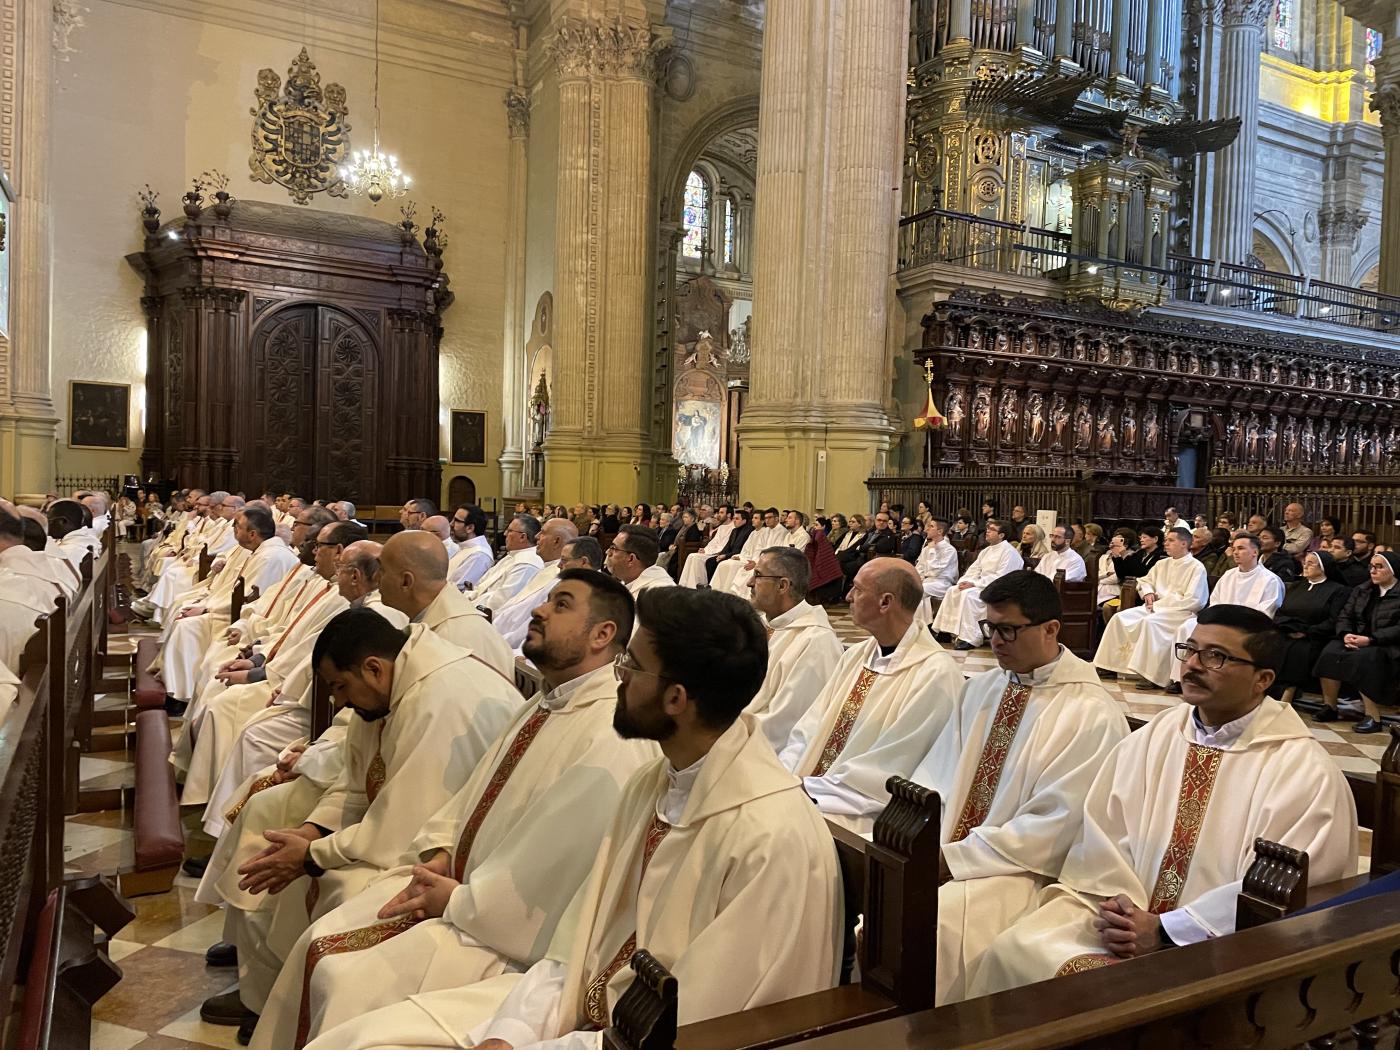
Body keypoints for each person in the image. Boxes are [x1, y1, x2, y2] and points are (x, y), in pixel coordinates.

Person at [301, 587, 842, 1050]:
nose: (618, 676)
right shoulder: (655, 785)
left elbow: (706, 1028)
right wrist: (511, 1033)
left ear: (676, 698)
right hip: (575, 1015)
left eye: (631, 665)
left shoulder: (768, 839)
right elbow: (575, 947)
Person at [248, 571, 658, 1050]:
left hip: (504, 938)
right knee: (321, 945)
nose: (539, 610)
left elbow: (549, 871)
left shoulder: (609, 733)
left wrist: (456, 899)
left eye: (561, 604)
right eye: (546, 599)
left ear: (602, 635)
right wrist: (442, 848)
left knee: (340, 975)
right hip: (461, 890)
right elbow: (471, 795)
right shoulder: (547, 703)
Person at [971, 605, 1357, 996]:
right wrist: (1123, 912)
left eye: (1216, 657)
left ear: (1263, 679)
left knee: (1108, 989)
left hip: (1223, 948)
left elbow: (1281, 889)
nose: (1192, 666)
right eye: (1190, 650)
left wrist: (1168, 930)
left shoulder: (1303, 770)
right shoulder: (1157, 734)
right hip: (1120, 916)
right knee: (1015, 951)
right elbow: (1105, 826)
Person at [201, 608, 520, 1038]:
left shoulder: (434, 702)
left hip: (456, 857)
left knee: (336, 888)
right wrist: (312, 834)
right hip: (410, 835)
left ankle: (287, 1011)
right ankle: (266, 993)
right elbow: (356, 784)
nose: (338, 701)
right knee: (296, 858)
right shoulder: (394, 687)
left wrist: (313, 856)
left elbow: (401, 830)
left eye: (339, 687)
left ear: (372, 669)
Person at [912, 571, 1127, 1003]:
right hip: (953, 854)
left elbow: (1056, 827)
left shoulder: (1090, 713)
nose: (996, 640)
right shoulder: (984, 689)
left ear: (1050, 629)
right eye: (990, 628)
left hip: (1024, 871)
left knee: (933, 924)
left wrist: (953, 859)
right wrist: (921, 839)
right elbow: (936, 772)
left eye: (1008, 629)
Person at [780, 558, 962, 833]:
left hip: (866, 810)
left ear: (885, 602)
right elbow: (807, 729)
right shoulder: (856, 656)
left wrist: (804, 788)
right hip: (811, 789)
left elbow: (888, 770)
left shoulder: (935, 674)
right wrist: (784, 776)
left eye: (857, 589)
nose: (849, 596)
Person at [744, 547, 844, 751]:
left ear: (782, 585)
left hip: (765, 753)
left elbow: (786, 725)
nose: (749, 583)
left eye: (758, 575)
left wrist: (715, 734)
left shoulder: (815, 642)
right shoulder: (763, 625)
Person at [376, 532, 514, 679]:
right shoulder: (440, 619)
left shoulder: (449, 642)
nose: (376, 577)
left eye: (382, 570)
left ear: (406, 582)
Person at [1164, 533, 1284, 693]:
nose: (1235, 552)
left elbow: (1265, 613)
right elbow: (1215, 603)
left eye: (1241, 548)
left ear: (1255, 552)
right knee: (1187, 626)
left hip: (1249, 627)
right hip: (1220, 622)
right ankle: (1181, 678)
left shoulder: (1270, 580)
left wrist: (1233, 622)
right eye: (1234, 549)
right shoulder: (1229, 575)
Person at [1093, 527, 1209, 689]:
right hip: (1154, 607)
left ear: (1184, 543)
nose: (1165, 543)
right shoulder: (1163, 563)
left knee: (1150, 623)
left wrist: (1161, 606)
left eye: (1170, 540)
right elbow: (1145, 581)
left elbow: (1195, 600)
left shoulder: (1196, 567)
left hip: (1179, 613)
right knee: (1120, 618)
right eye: (1166, 540)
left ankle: (1149, 675)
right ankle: (1110, 666)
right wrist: (1147, 592)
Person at [1312, 551, 1400, 733]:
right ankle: (1331, 707)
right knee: (1330, 652)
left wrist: (1371, 639)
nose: (1373, 571)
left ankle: (1372, 716)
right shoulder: (1362, 589)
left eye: (1379, 567)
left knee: (1365, 659)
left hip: (1385, 643)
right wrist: (1345, 634)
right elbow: (1345, 615)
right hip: (1357, 638)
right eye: (1371, 567)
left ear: (1393, 570)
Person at [484, 519, 578, 649]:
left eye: (543, 533)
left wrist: (494, 639)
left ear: (556, 541)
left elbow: (529, 621)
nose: (536, 536)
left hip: (507, 644)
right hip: (495, 631)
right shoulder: (546, 568)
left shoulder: (558, 578)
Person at [1271, 550, 1349, 705]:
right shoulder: (1295, 586)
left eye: (1311, 563)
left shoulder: (1338, 590)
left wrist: (1306, 632)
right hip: (1288, 632)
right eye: (1305, 562)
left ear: (1323, 567)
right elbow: (1279, 612)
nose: (1305, 566)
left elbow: (1333, 620)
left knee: (1298, 649)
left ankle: (1288, 695)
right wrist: (1288, 628)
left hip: (1316, 636)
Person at [931, 519, 1024, 650]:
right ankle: (945, 632)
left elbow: (1002, 578)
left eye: (992, 530)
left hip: (999, 590)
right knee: (953, 590)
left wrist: (974, 584)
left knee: (969, 595)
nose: (987, 531)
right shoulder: (986, 551)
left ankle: (970, 637)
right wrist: (966, 581)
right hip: (982, 585)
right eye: (988, 529)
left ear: (1002, 535)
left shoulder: (1009, 553)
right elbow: (975, 569)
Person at [468, 515, 544, 612]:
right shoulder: (511, 556)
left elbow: (499, 602)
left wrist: (468, 606)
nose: (504, 534)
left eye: (509, 531)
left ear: (522, 537)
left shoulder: (527, 564)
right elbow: (481, 584)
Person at [604, 524, 673, 595]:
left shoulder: (657, 595)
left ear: (631, 559)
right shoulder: (628, 580)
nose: (608, 552)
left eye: (614, 548)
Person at [677, 504, 735, 587]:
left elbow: (724, 545)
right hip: (711, 551)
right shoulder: (722, 527)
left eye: (721, 512)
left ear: (729, 515)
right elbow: (714, 542)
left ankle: (699, 584)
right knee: (692, 556)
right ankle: (685, 585)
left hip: (718, 553)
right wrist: (705, 549)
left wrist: (708, 551)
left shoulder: (732, 528)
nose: (719, 515)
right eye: (719, 512)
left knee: (697, 557)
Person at [446, 505, 494, 590]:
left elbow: (458, 589)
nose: (451, 524)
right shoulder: (465, 547)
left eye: (456, 521)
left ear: (470, 528)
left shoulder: (479, 555)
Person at [916, 517, 959, 609]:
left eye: (931, 526)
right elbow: (920, 567)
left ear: (939, 531)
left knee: (917, 590)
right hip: (926, 582)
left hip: (942, 584)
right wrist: (919, 578)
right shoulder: (926, 549)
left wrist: (932, 551)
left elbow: (936, 571)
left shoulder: (949, 550)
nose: (927, 529)